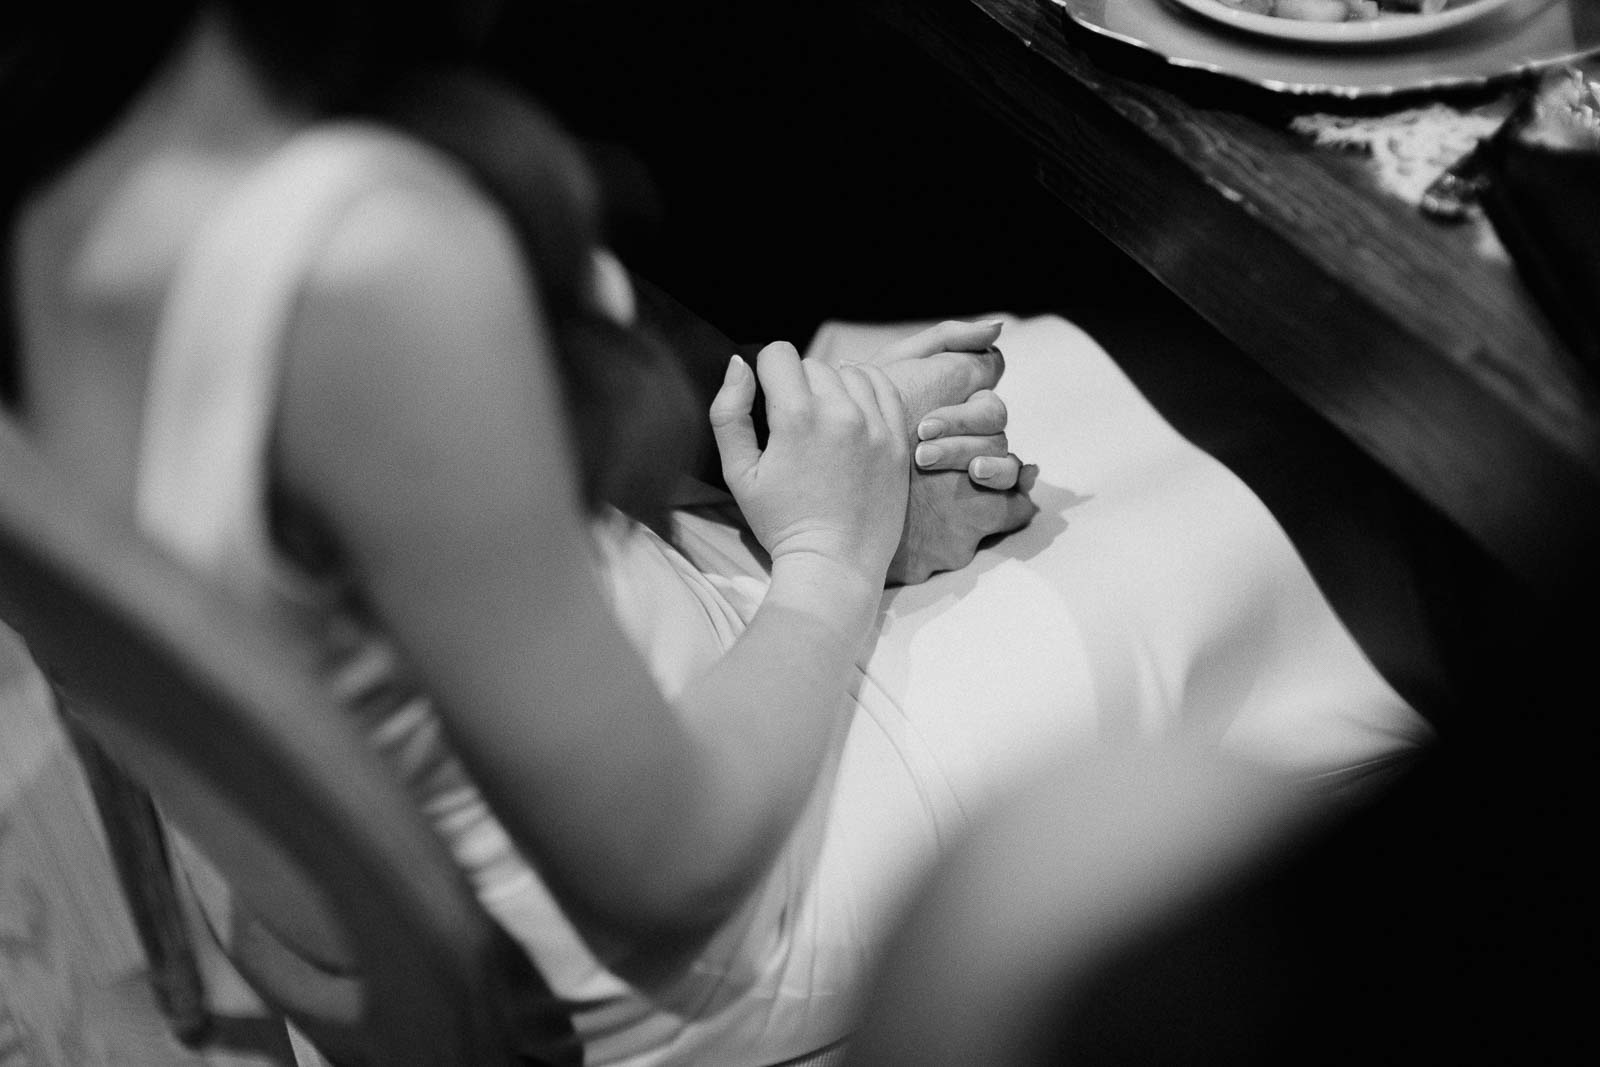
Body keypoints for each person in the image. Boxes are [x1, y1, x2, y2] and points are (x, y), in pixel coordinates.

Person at [0, 3, 1432, 1065]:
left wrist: (808, 484)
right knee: (1328, 536)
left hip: (598, 699)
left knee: (1117, 384)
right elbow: (667, 869)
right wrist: (832, 547)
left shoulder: (68, 175)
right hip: (703, 914)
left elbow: (405, 537)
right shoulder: (367, 265)